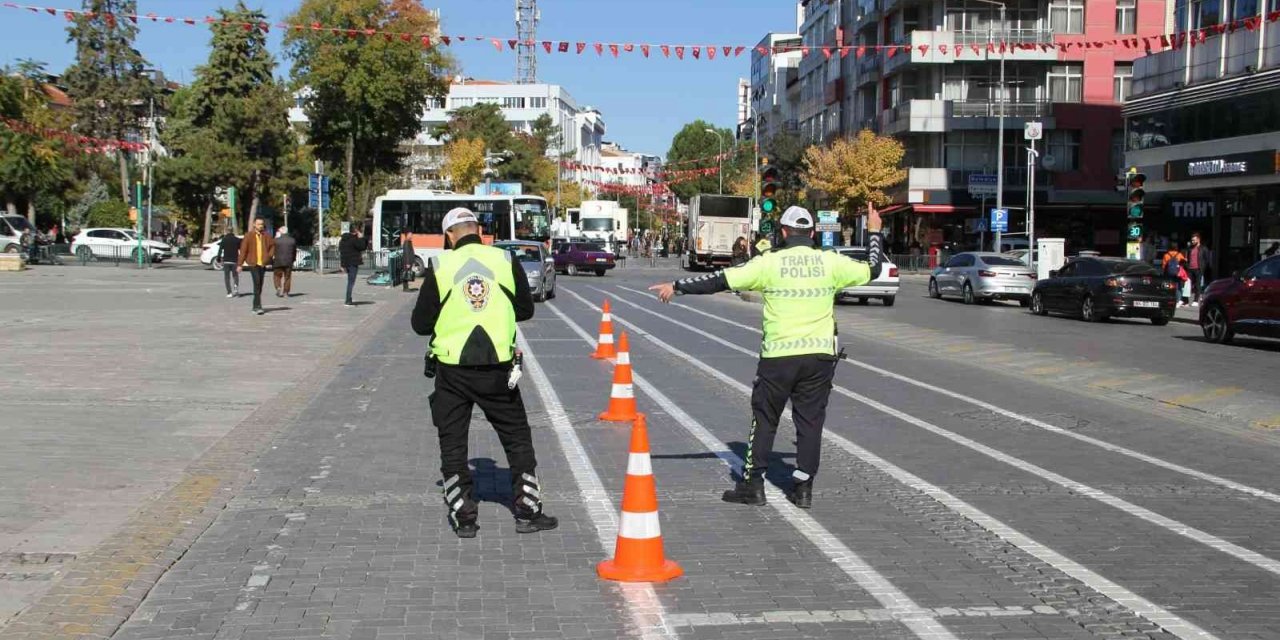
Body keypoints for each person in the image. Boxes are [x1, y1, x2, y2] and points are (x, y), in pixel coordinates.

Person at [648, 205, 884, 509]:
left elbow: (721, 279)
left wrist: (677, 286)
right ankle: (803, 488)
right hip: (819, 357)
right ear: (812, 233)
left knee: (765, 419)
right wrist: (875, 231)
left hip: (779, 357)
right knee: (810, 423)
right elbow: (874, 268)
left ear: (783, 233)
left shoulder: (769, 263)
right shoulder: (830, 262)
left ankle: (753, 485)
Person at [411, 207, 557, 538]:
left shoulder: (440, 265)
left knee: (452, 441)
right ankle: (527, 511)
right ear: (478, 230)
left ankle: (464, 518)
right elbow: (525, 309)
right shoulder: (504, 261)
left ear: (449, 236)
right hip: (497, 368)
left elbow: (420, 324)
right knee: (517, 437)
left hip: (452, 370)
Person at [237, 218, 275, 315]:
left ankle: (255, 305)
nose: (260, 226)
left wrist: (269, 256)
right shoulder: (249, 236)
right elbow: (243, 250)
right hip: (253, 263)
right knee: (257, 282)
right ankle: (258, 306)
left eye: (262, 224)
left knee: (260, 284)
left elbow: (273, 246)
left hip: (262, 263)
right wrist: (239, 264)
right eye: (258, 224)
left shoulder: (266, 235)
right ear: (254, 225)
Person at [338, 226, 367, 307]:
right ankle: (348, 299)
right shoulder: (354, 239)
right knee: (351, 282)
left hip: (346, 263)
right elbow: (362, 247)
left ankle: (348, 298)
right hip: (353, 263)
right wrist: (362, 238)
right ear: (356, 231)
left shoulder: (342, 240)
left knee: (350, 281)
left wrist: (342, 265)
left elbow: (341, 253)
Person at [1185, 232, 1210, 305]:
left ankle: (1196, 300)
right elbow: (1187, 258)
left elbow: (1206, 259)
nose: (1192, 242)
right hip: (1190, 269)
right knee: (1187, 285)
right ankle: (1186, 301)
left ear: (1198, 240)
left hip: (1198, 269)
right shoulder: (1190, 248)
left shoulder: (1203, 248)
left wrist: (1203, 268)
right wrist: (1187, 265)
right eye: (1192, 240)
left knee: (1197, 285)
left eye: (1194, 240)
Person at [273, 226, 297, 298]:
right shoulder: (292, 240)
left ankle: (278, 287)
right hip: (288, 261)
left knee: (277, 276)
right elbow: (294, 251)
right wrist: (293, 259)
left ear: (281, 232)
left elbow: (272, 250)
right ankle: (286, 292)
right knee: (287, 277)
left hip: (278, 261)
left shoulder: (276, 240)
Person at [218, 230, 241, 298]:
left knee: (227, 277)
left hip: (226, 261)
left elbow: (220, 249)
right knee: (235, 275)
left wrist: (218, 258)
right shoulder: (237, 240)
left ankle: (229, 292)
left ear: (227, 232)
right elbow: (241, 248)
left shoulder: (224, 240)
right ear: (233, 232)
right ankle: (236, 288)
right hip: (234, 260)